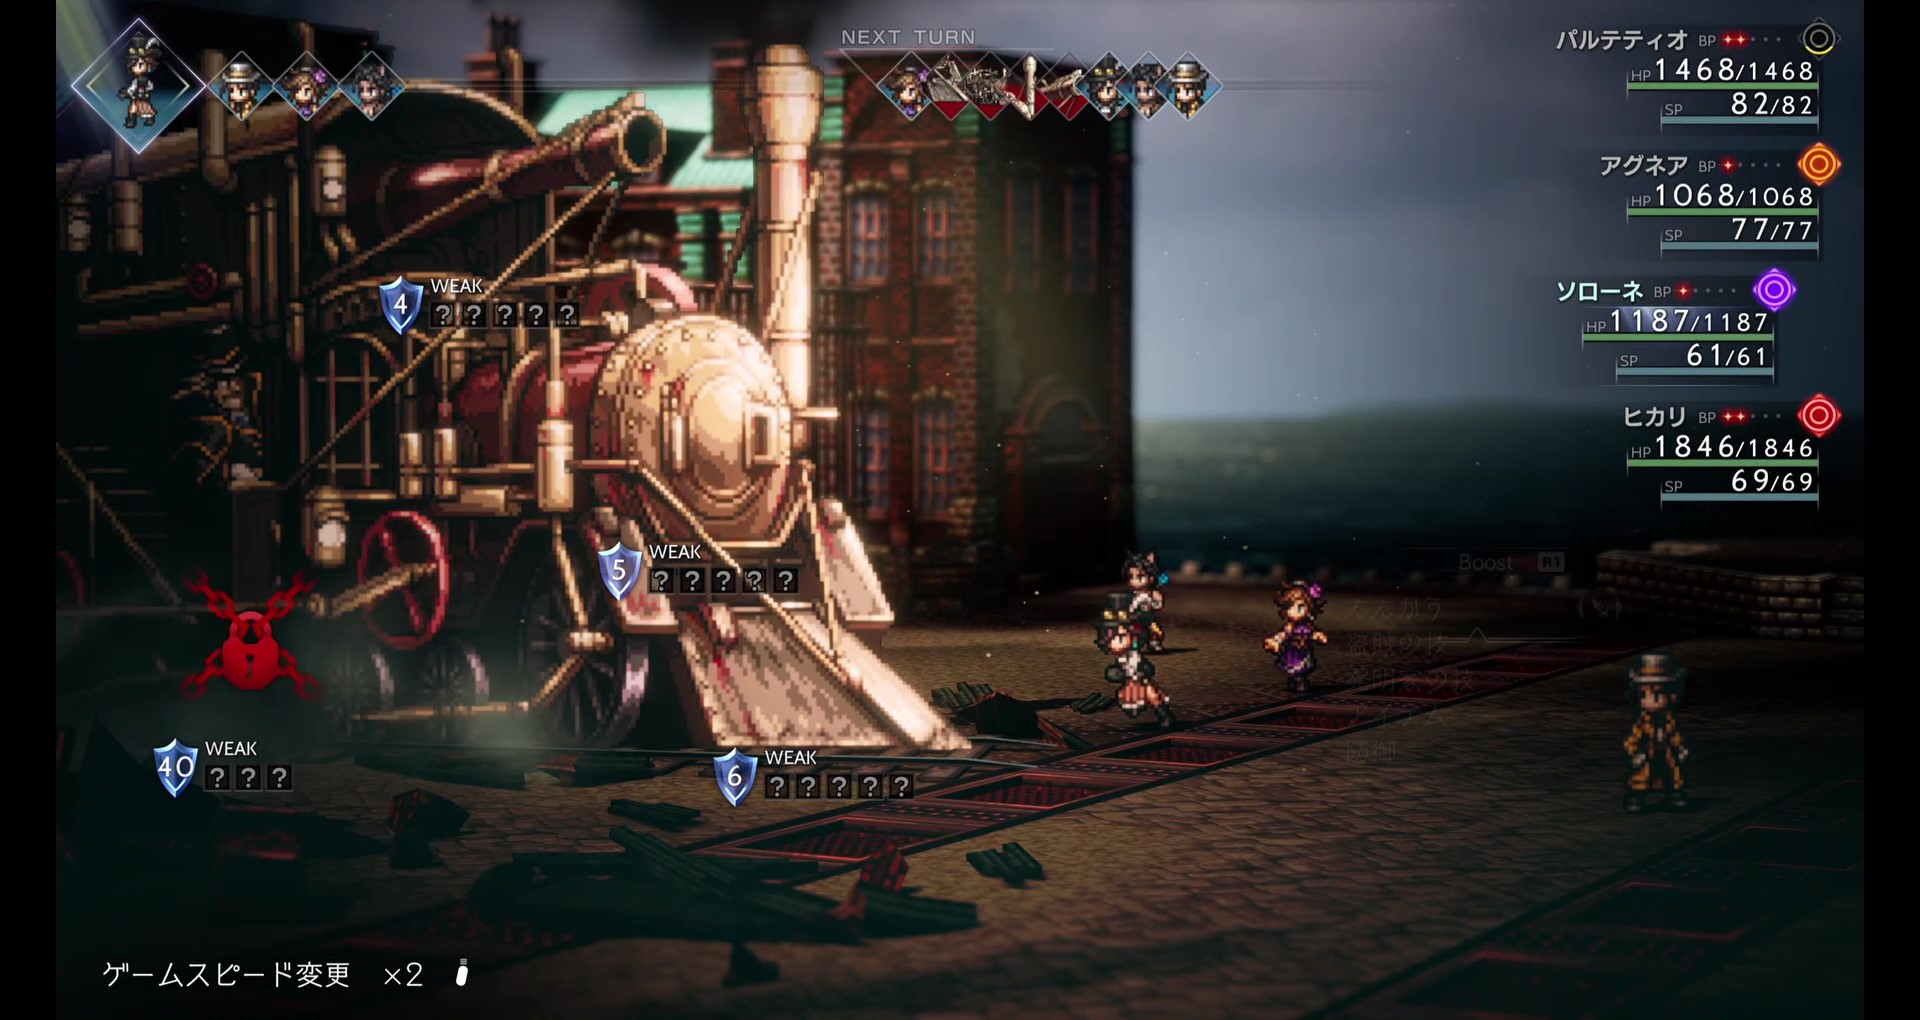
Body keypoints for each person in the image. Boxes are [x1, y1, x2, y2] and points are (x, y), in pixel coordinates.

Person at [1622, 653, 1691, 813]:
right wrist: (1634, 753)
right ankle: (1636, 797)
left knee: (1672, 774)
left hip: (1666, 753)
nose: (1650, 700)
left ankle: (1674, 794)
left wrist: (1680, 748)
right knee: (1641, 776)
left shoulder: (1669, 719)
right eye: (1644, 695)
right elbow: (1633, 739)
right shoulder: (1642, 722)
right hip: (1647, 753)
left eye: (1658, 695)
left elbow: (1674, 735)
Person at [1098, 593, 1174, 727]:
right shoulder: (1122, 658)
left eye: (1121, 637)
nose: (1115, 642)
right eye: (1112, 638)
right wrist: (1118, 674)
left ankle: (1164, 715)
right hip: (1129, 683)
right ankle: (1135, 707)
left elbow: (1148, 669)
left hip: (1140, 681)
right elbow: (1112, 673)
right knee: (1127, 695)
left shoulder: (1135, 655)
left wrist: (1141, 673)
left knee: (1152, 693)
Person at [1263, 581, 1329, 692]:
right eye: (1290, 606)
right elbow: (1283, 634)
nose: (1294, 610)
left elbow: (1313, 633)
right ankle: (1295, 681)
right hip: (1293, 651)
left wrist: (1318, 636)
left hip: (1304, 651)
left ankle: (1300, 681)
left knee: (1303, 667)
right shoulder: (1290, 627)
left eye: (1300, 606)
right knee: (1294, 668)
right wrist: (1275, 641)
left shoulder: (1307, 626)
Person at [1121, 549, 1166, 652]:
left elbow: (1159, 604)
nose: (1134, 581)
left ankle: (1154, 643)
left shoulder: (1152, 593)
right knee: (1133, 631)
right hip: (1135, 618)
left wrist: (1154, 605)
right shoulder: (1133, 594)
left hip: (1149, 619)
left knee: (1156, 631)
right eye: (1131, 577)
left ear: (1151, 578)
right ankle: (1134, 645)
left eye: (1140, 577)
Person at [118, 34, 159, 129]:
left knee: (146, 109)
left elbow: (150, 86)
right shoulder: (135, 81)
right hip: (136, 97)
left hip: (143, 97)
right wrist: (127, 93)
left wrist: (145, 90)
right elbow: (132, 88)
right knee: (133, 108)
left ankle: (149, 119)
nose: (137, 67)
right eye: (134, 64)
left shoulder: (145, 81)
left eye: (141, 64)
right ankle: (131, 121)